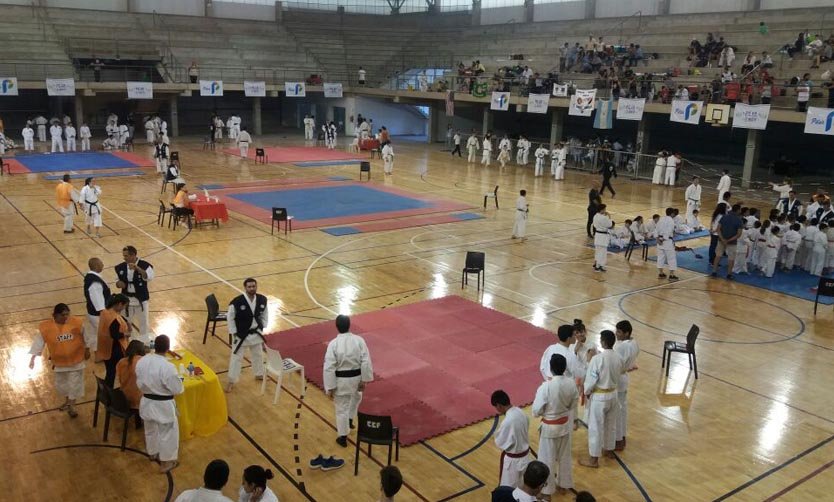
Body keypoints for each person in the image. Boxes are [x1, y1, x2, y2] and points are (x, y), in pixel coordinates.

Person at [28, 304, 90, 418]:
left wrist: (87, 349)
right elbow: (38, 343)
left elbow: (86, 336)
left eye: (67, 314)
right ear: (55, 315)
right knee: (63, 385)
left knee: (74, 384)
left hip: (76, 361)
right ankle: (68, 401)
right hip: (60, 363)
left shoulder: (77, 322)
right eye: (63, 315)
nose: (66, 317)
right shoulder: (45, 327)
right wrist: (33, 358)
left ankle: (72, 406)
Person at [532, 354, 578, 497]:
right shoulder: (571, 383)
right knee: (564, 456)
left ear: (550, 368)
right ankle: (564, 485)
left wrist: (548, 412)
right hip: (564, 424)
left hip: (549, 428)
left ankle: (546, 491)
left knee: (547, 459)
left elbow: (536, 411)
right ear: (565, 368)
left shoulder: (546, 387)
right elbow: (573, 404)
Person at [324, 315, 373, 447]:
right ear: (349, 325)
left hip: (341, 382)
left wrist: (330, 387)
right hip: (357, 379)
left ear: (336, 326)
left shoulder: (333, 344)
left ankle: (343, 437)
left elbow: (329, 367)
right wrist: (364, 380)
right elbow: (365, 360)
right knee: (357, 397)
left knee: (341, 409)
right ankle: (350, 419)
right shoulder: (359, 340)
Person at [136, 335, 183, 473]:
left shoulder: (142, 361)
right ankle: (166, 463)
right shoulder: (168, 367)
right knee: (168, 433)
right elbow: (177, 389)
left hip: (146, 401)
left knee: (150, 429)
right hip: (163, 405)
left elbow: (139, 380)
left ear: (154, 346)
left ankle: (152, 452)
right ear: (168, 348)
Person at [579, 330, 622, 468]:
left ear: (603, 342)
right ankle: (609, 450)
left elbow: (591, 379)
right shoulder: (618, 357)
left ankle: (593, 460)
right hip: (613, 394)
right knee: (611, 424)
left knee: (596, 427)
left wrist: (586, 391)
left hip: (600, 397)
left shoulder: (598, 359)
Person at [226, 278, 268, 393]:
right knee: (236, 358)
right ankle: (231, 380)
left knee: (258, 355)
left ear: (256, 286)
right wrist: (233, 332)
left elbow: (265, 314)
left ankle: (259, 373)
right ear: (245, 288)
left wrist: (262, 326)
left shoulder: (262, 299)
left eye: (253, 286)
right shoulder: (237, 302)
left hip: (256, 332)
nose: (252, 288)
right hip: (241, 334)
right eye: (249, 287)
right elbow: (230, 318)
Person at [491, 390, 532, 488]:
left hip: (513, 463)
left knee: (509, 490)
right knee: (524, 488)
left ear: (499, 405)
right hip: (526, 457)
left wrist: (496, 435)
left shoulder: (508, 421)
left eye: (496, 407)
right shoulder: (521, 412)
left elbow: (500, 442)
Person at [115, 245, 154, 344]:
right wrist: (119, 284)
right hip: (126, 300)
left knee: (143, 324)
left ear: (133, 255)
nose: (124, 258)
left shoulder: (145, 265)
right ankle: (127, 343)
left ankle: (144, 344)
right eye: (124, 256)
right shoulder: (120, 267)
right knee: (125, 323)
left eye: (126, 256)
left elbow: (148, 277)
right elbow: (117, 281)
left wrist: (138, 269)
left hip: (141, 300)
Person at [96, 294, 131, 388]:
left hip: (105, 347)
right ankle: (114, 393)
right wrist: (126, 334)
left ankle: (107, 392)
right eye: (124, 306)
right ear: (120, 304)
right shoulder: (114, 319)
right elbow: (115, 335)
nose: (124, 308)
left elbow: (118, 318)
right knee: (116, 372)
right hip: (114, 349)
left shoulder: (105, 312)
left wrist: (126, 321)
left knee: (110, 372)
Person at [614, 320, 639, 451]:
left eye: (618, 331)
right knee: (623, 409)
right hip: (624, 377)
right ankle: (622, 437)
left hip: (617, 378)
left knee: (617, 411)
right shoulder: (634, 343)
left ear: (626, 333)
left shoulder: (621, 347)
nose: (616, 334)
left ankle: (617, 440)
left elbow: (614, 364)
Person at [83, 257, 110, 350]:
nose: (103, 265)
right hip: (97, 314)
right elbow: (97, 299)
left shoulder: (90, 277)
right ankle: (101, 353)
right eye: (101, 263)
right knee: (103, 334)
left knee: (95, 333)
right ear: (96, 265)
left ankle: (96, 352)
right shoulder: (95, 281)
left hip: (92, 312)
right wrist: (103, 313)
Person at [712, 203, 744, 279]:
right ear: (738, 210)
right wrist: (728, 240)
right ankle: (729, 274)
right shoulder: (739, 220)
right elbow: (739, 234)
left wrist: (723, 239)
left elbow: (718, 229)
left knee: (718, 256)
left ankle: (714, 271)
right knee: (731, 259)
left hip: (721, 240)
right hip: (732, 242)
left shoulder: (724, 217)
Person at [116, 340, 146, 412]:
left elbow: (119, 379)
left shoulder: (121, 362)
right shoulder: (142, 361)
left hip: (124, 396)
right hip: (137, 399)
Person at [656, 207, 679, 281]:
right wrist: (663, 239)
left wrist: (657, 239)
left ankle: (661, 273)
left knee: (660, 257)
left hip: (659, 241)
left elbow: (656, 230)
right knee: (671, 258)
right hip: (667, 241)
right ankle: (671, 275)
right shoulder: (671, 221)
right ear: (672, 213)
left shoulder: (661, 219)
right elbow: (668, 232)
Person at [592, 203, 614, 272]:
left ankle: (597, 265)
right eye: (604, 209)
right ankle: (600, 266)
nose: (605, 210)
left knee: (598, 251)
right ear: (602, 210)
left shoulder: (595, 216)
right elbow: (610, 225)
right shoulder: (604, 217)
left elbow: (595, 225)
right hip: (603, 236)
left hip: (597, 235)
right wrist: (609, 216)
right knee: (603, 252)